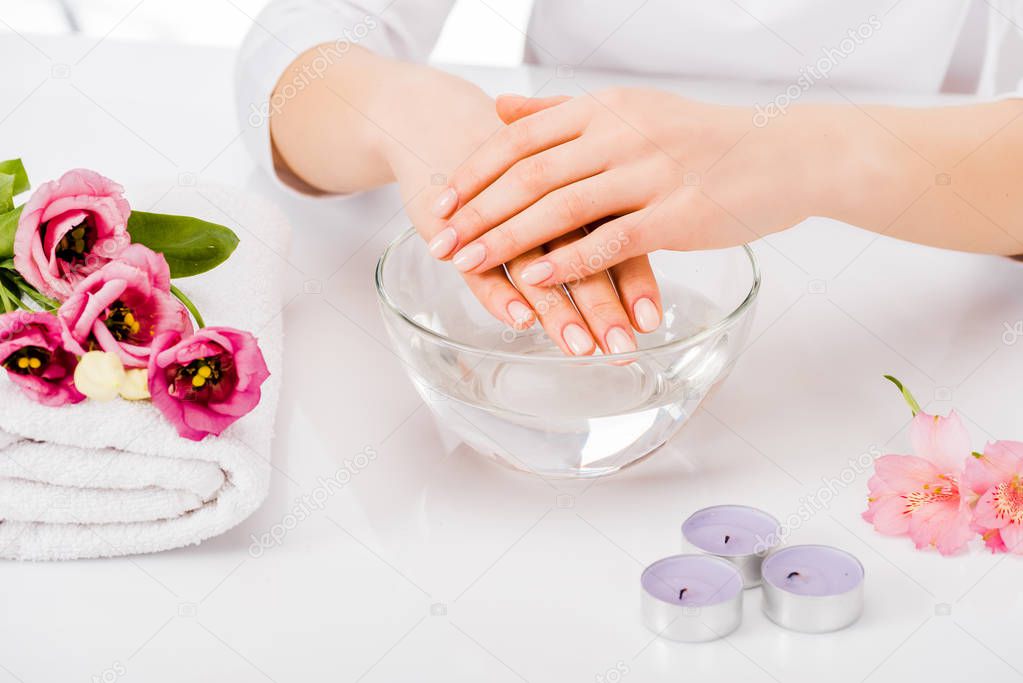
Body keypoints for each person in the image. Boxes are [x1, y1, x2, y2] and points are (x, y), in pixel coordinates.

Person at [236, 0, 1023, 356]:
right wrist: (406, 110)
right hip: (545, 236)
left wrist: (804, 152)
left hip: (919, 273)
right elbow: (295, 56)